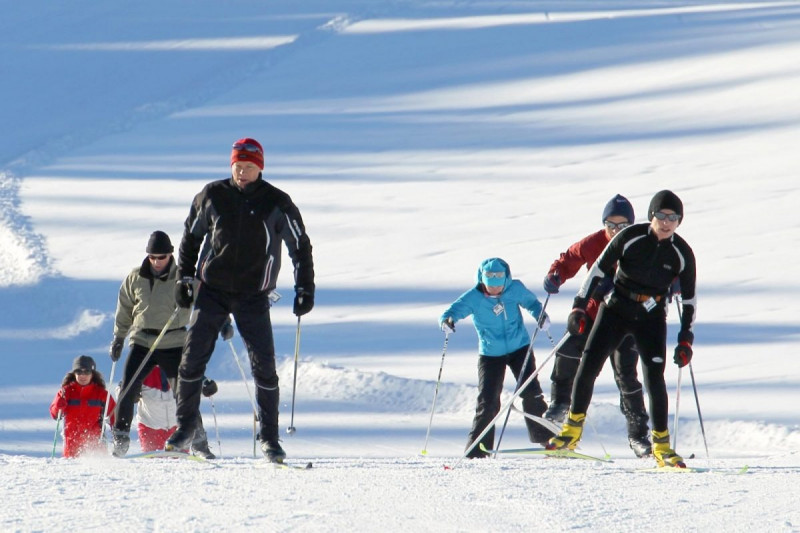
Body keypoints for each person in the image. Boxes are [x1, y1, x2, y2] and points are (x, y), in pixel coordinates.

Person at [165, 137, 315, 464]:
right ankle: (186, 427)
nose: (242, 173)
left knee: (264, 367)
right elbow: (190, 239)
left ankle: (270, 439)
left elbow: (300, 246)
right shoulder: (212, 195)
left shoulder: (277, 202)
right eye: (237, 166)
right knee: (192, 359)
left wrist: (305, 288)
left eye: (248, 167)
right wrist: (185, 279)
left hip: (253, 295)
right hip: (213, 289)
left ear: (260, 168)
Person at [547, 190, 696, 468]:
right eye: (661, 216)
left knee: (653, 378)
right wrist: (579, 307)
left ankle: (661, 445)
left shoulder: (682, 253)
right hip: (616, 309)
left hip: (650, 317)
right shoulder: (629, 237)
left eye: (673, 218)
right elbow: (598, 271)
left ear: (679, 221)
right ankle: (571, 431)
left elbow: (689, 300)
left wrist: (686, 338)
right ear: (651, 215)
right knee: (589, 365)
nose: (666, 222)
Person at [541, 194, 652, 457]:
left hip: (626, 319)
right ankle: (560, 402)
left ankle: (638, 435)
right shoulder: (595, 242)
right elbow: (570, 258)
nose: (615, 231)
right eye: (610, 225)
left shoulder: (641, 244)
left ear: (631, 225)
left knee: (626, 375)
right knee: (568, 349)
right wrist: (555, 274)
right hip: (593, 314)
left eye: (622, 226)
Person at [109, 230, 215, 458]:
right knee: (128, 387)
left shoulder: (183, 277)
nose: (157, 262)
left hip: (174, 340)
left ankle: (199, 443)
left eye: (162, 257)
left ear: (171, 255)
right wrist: (119, 337)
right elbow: (125, 307)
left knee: (184, 392)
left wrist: (221, 322)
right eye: (153, 257)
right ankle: (120, 438)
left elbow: (206, 302)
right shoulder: (136, 277)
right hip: (142, 340)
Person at [440, 257, 553, 459]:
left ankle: (546, 439)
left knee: (532, 392)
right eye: (490, 286)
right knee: (488, 400)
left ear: (506, 280)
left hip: (520, 347)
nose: (494, 290)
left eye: (499, 286)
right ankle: (476, 450)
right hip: (491, 354)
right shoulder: (473, 297)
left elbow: (532, 303)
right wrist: (447, 322)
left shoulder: (514, 288)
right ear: (482, 280)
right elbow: (452, 312)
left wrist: (541, 316)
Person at [133, 365, 219, 453]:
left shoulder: (179, 365)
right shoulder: (143, 366)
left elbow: (194, 381)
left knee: (179, 462)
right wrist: (130, 393)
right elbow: (123, 389)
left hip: (178, 427)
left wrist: (207, 386)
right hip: (150, 426)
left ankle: (200, 446)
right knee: (154, 462)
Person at [49, 355, 116, 458]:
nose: (82, 376)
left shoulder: (101, 394)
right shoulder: (66, 392)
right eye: (79, 372)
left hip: (96, 445)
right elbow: (54, 414)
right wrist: (58, 405)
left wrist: (119, 435)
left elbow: (115, 415)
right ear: (74, 374)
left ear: (92, 374)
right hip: (71, 447)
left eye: (87, 372)